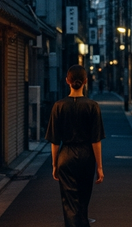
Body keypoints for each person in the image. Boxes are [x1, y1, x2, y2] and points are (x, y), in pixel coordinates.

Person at [45, 65, 105, 227]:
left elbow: (55, 140)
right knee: (83, 201)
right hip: (86, 156)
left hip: (66, 155)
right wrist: (99, 166)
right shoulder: (92, 106)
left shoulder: (59, 106)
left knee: (69, 202)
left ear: (67, 81)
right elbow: (96, 140)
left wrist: (54, 163)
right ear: (86, 81)